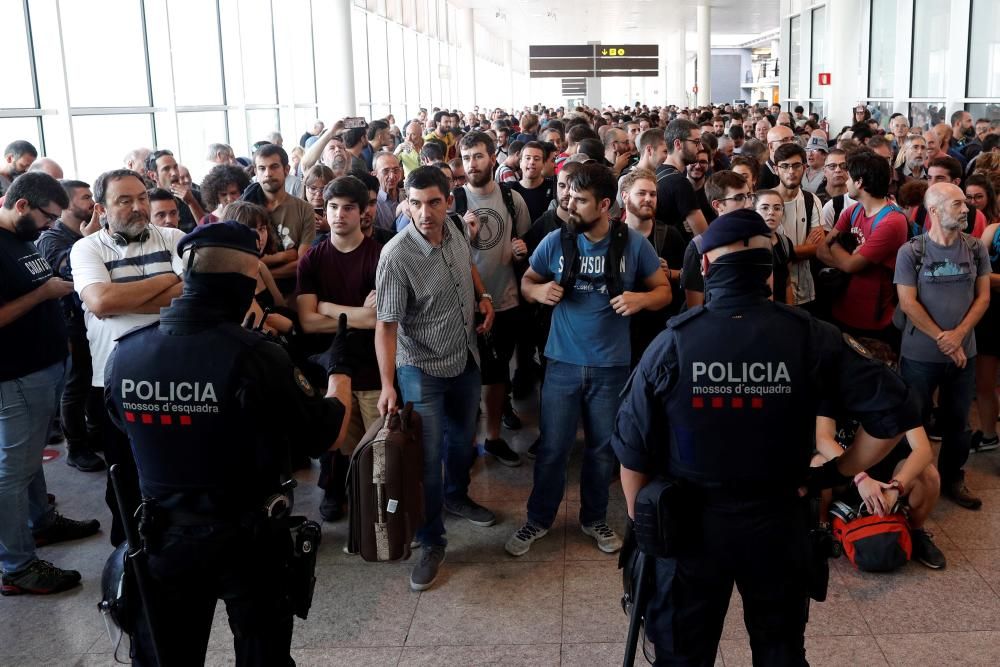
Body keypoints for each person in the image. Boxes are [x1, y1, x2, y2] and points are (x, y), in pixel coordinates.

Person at [611, 209, 922, 665]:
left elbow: (632, 455)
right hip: (779, 520)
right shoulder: (813, 336)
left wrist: (648, 531)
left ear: (706, 269)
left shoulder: (673, 344)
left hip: (691, 526)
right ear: (770, 270)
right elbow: (894, 412)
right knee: (779, 652)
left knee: (682, 653)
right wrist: (833, 474)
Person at [105, 221, 352, 666]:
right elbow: (325, 434)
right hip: (248, 537)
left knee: (168, 655)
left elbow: (123, 429)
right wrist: (340, 371)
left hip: (163, 535)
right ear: (244, 283)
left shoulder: (125, 353)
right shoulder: (257, 355)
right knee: (263, 654)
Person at [508, 163, 669, 558]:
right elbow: (527, 281)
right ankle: (539, 518)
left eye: (580, 200)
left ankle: (593, 517)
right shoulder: (556, 240)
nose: (570, 205)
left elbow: (663, 290)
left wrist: (642, 300)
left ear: (605, 205)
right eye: (569, 197)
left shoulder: (632, 244)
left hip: (612, 366)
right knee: (553, 448)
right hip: (561, 362)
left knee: (602, 450)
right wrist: (538, 291)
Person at [375, 166, 496, 592]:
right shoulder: (395, 256)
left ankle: (456, 495)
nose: (424, 213)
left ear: (448, 201)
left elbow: (468, 268)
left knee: (464, 440)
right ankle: (430, 540)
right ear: (405, 203)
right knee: (426, 458)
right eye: (415, 203)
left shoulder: (457, 230)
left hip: (464, 356)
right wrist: (388, 384)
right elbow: (386, 325)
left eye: (433, 202)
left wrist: (483, 297)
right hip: (420, 368)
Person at [71, 169, 185, 546]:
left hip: (177, 375)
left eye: (141, 198)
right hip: (116, 381)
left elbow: (195, 293)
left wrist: (127, 296)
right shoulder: (87, 248)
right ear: (102, 209)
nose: (138, 207)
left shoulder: (174, 237)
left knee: (176, 465)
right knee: (125, 470)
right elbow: (102, 302)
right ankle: (129, 550)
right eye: (124, 200)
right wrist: (169, 280)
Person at [0, 173, 101, 596]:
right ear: (22, 205)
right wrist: (43, 296)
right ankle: (16, 566)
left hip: (43, 368)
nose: (48, 227)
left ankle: (39, 522)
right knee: (12, 472)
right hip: (16, 375)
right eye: (47, 218)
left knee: (27, 465)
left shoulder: (23, 239)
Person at [895, 182, 992, 510]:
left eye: (965, 203)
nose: (966, 209)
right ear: (934, 210)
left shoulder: (976, 248)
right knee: (914, 419)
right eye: (957, 204)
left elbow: (983, 297)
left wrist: (959, 335)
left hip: (964, 354)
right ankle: (916, 480)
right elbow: (908, 303)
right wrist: (944, 338)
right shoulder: (912, 251)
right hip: (919, 356)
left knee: (959, 422)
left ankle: (953, 477)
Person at [297, 176, 383, 522]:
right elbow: (307, 321)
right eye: (333, 207)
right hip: (332, 367)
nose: (339, 215)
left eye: (348, 208)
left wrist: (328, 307)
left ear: (363, 213)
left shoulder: (381, 256)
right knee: (338, 445)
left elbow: (381, 320)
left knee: (378, 450)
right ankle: (336, 491)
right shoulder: (312, 260)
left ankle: (379, 505)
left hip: (375, 365)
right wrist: (357, 314)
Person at [35, 179, 105, 472]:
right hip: (69, 324)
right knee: (76, 386)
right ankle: (76, 447)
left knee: (92, 381)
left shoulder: (83, 233)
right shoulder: (52, 238)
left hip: (90, 320)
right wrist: (90, 242)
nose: (92, 203)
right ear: (66, 204)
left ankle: (94, 433)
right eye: (85, 197)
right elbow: (73, 273)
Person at [816, 150, 909, 345]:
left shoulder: (892, 221)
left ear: (859, 182)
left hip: (875, 321)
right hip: (842, 309)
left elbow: (851, 265)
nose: (845, 181)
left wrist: (838, 244)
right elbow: (820, 250)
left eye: (849, 176)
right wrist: (847, 252)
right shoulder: (854, 210)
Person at [247, 144, 316, 295]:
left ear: (286, 169)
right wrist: (284, 256)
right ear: (255, 172)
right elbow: (241, 261)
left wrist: (263, 274)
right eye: (262, 168)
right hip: (253, 293)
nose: (268, 173)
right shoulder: (245, 209)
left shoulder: (304, 209)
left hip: (293, 291)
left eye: (274, 167)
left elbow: (301, 264)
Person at [756, 189, 797, 304]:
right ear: (754, 212)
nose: (771, 212)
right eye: (764, 208)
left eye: (777, 208)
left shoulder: (785, 242)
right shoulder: (746, 245)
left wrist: (790, 313)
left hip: (780, 311)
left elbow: (787, 283)